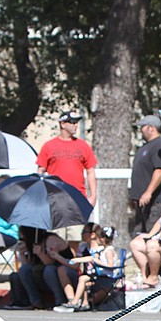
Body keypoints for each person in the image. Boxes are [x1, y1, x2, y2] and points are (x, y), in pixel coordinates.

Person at [36, 109, 98, 254]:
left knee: (75, 237)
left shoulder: (82, 146)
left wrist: (93, 195)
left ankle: (73, 269)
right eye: (72, 122)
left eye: (76, 123)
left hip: (77, 198)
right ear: (63, 124)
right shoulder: (49, 146)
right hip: (55, 199)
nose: (75, 126)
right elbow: (41, 170)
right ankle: (57, 270)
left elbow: (90, 171)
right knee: (55, 237)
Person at [54, 225, 122, 312]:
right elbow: (91, 258)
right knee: (84, 278)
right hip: (99, 274)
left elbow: (110, 266)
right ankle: (85, 303)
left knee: (83, 278)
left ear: (103, 239)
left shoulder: (109, 250)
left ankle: (74, 302)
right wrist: (76, 260)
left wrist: (97, 261)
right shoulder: (100, 250)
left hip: (106, 277)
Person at [128, 115, 161, 236]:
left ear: (151, 128)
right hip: (141, 203)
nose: (140, 130)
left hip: (154, 203)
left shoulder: (158, 146)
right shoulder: (144, 147)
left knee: (152, 236)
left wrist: (148, 192)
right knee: (137, 236)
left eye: (142, 127)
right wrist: (133, 196)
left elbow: (160, 170)